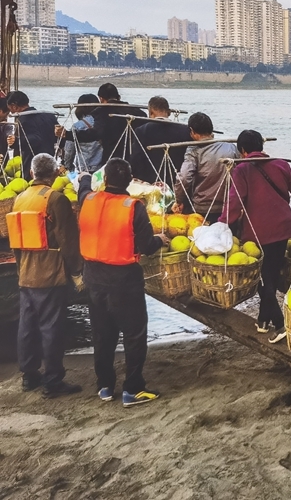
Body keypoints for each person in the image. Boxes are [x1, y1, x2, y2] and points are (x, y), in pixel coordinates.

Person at [78, 158, 169, 407]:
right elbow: (146, 246)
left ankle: (105, 386)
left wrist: (85, 175)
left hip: (94, 279)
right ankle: (133, 389)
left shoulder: (88, 199)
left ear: (105, 180)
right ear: (130, 181)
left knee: (102, 335)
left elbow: (83, 184)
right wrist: (161, 239)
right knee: (134, 335)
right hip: (124, 281)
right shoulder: (133, 207)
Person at [218, 130, 291, 342]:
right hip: (282, 229)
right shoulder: (281, 164)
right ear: (260, 146)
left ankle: (280, 323)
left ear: (242, 150)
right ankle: (263, 320)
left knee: (263, 279)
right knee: (271, 273)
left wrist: (220, 224)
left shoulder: (241, 170)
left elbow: (235, 203)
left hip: (257, 233)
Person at [10, 153, 84, 398]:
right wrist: (77, 272)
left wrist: (21, 267)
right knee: (52, 326)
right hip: (49, 272)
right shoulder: (56, 199)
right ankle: (53, 380)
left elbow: (15, 241)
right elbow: (68, 239)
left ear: (32, 174)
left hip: (25, 272)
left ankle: (29, 376)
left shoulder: (19, 198)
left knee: (27, 326)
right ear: (54, 175)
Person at [55, 83, 147, 164]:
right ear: (119, 97)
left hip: (113, 159)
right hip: (136, 159)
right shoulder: (139, 113)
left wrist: (68, 134)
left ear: (101, 99)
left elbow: (94, 134)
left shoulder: (102, 112)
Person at [173, 112, 239, 222]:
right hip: (227, 207)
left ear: (192, 131)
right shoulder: (231, 147)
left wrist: (178, 199)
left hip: (203, 209)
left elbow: (184, 178)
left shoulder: (194, 150)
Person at [129, 96, 192, 184]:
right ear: (169, 112)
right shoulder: (185, 131)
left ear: (150, 112)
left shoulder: (142, 131)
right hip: (176, 182)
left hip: (151, 183)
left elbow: (136, 159)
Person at [6, 91, 58, 177]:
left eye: (11, 111)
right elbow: (60, 139)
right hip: (50, 163)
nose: (11, 113)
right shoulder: (49, 116)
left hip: (33, 167)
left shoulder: (23, 119)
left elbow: (36, 139)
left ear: (14, 106)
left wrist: (15, 142)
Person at [61, 94, 104, 173]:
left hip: (85, 168)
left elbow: (69, 151)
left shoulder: (78, 126)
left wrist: (67, 166)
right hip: (103, 168)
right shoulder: (105, 123)